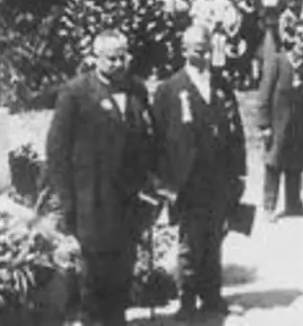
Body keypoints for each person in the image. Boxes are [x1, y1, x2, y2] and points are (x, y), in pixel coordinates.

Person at [47, 31, 157, 326]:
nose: (119, 63)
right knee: (94, 278)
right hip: (91, 200)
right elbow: (57, 151)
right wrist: (66, 201)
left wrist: (151, 188)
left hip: (128, 201)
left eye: (123, 56)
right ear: (95, 58)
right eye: (111, 58)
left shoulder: (137, 89)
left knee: (122, 270)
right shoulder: (76, 93)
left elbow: (149, 140)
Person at [152, 24, 247, 320]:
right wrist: (164, 181)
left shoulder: (221, 83)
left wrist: (239, 171)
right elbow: (157, 138)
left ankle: (212, 295)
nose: (202, 53)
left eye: (206, 47)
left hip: (218, 175)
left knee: (215, 236)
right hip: (187, 179)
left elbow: (236, 130)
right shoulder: (170, 89)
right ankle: (187, 298)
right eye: (196, 48)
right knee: (190, 242)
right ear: (184, 51)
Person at [257, 17, 303, 221]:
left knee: (295, 163)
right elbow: (264, 93)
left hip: (300, 124)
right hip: (278, 122)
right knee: (274, 163)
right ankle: (269, 206)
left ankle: (293, 203)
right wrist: (264, 124)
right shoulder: (278, 61)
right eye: (300, 38)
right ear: (293, 38)